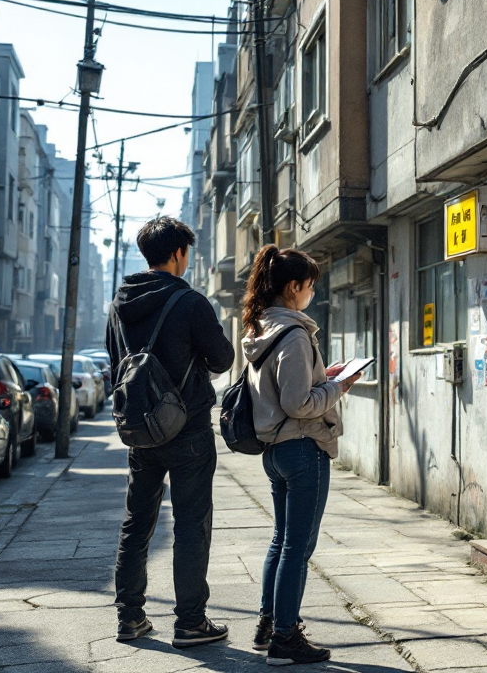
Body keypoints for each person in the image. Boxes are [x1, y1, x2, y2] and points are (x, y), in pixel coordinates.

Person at [108, 217, 236, 647]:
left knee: (136, 522)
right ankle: (190, 622)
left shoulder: (120, 303)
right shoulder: (190, 301)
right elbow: (221, 360)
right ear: (179, 252)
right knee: (191, 524)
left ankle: (130, 618)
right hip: (188, 430)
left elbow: (116, 365)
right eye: (188, 253)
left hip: (140, 430)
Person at [240, 246, 361, 665]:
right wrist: (338, 388)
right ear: (293, 287)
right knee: (297, 547)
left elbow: (285, 391)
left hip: (275, 450)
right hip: (303, 448)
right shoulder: (292, 334)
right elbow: (298, 403)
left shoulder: (262, 329)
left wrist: (321, 377)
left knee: (281, 541)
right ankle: (285, 639)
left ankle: (268, 625)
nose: (312, 293)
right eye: (309, 286)